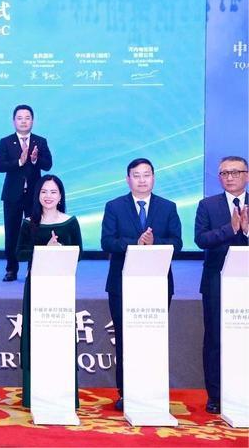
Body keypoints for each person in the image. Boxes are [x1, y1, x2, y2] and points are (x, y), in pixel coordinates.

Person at [101, 157, 182, 410]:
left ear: (153, 178)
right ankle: (126, 393)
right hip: (122, 284)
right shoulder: (114, 206)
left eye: (147, 174)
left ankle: (153, 391)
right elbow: (107, 242)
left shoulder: (168, 207)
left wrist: (153, 244)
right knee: (126, 339)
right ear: (128, 179)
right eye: (136, 175)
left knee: (153, 338)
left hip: (157, 284)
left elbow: (177, 244)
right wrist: (135, 244)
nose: (142, 179)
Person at [15, 174, 82, 408]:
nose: (48, 196)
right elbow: (19, 254)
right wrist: (44, 249)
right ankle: (34, 395)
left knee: (60, 339)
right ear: (37, 195)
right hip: (36, 286)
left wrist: (59, 250)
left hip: (61, 287)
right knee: (36, 338)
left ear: (60, 196)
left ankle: (64, 393)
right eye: (44, 191)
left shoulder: (70, 222)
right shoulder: (28, 223)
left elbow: (78, 253)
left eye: (53, 192)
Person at [194, 156, 249, 414]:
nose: (230, 177)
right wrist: (231, 229)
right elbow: (201, 239)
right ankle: (215, 395)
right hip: (216, 281)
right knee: (215, 338)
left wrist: (246, 232)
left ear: (246, 175)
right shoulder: (207, 205)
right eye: (224, 173)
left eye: (236, 172)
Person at [0, 104, 53, 282]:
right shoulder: (5, 141)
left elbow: (48, 164)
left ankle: (33, 267)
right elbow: (0, 166)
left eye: (27, 118)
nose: (23, 121)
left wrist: (35, 159)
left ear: (32, 121)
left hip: (34, 196)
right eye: (20, 118)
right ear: (14, 121)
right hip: (12, 195)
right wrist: (19, 162)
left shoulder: (40, 141)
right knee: (11, 232)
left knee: (34, 232)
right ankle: (11, 268)